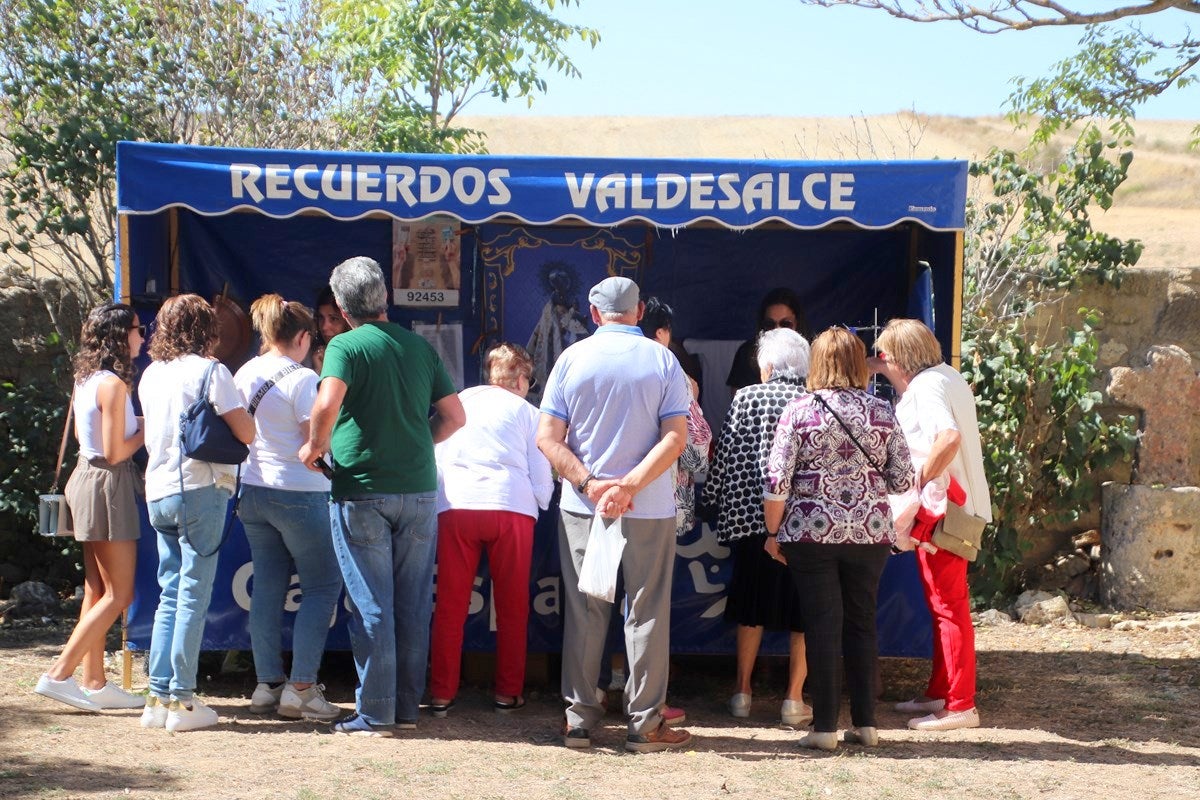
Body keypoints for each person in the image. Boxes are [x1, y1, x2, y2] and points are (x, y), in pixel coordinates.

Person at [299, 256, 465, 737]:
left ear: (344, 308)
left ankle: (375, 712)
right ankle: (407, 709)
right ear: (383, 299)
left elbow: (327, 403)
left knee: (372, 603)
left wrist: (314, 446)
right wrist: (415, 441)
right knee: (412, 604)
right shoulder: (418, 346)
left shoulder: (344, 346)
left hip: (362, 490)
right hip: (417, 489)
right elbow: (454, 417)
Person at [536, 276, 693, 754]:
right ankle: (645, 726)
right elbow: (675, 438)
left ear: (594, 312)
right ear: (640, 310)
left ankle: (579, 721)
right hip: (647, 508)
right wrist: (630, 487)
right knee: (645, 613)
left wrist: (590, 484)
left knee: (586, 612)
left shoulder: (571, 359)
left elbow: (547, 438)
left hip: (584, 507)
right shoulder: (664, 360)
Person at [764, 326, 913, 751]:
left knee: (821, 625)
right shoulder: (882, 411)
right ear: (857, 363)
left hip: (810, 533)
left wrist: (773, 533)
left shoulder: (798, 411)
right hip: (870, 534)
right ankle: (866, 724)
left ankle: (825, 727)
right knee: (862, 624)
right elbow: (903, 479)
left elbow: (777, 482)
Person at [138, 294, 255, 732]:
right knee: (192, 593)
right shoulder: (212, 371)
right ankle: (183, 703)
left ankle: (158, 696)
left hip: (159, 490)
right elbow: (244, 429)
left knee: (169, 593)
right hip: (200, 488)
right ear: (207, 328)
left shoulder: (150, 375)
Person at [872, 318, 992, 732]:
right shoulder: (947, 377)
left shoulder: (925, 386)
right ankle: (943, 691)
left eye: (883, 356)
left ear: (896, 357)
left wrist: (917, 483)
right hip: (951, 508)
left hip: (942, 509)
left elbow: (948, 437)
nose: (881, 364)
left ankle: (960, 704)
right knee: (944, 605)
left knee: (948, 607)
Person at [233, 295, 344, 721]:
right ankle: (301, 688)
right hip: (299, 492)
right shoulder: (302, 379)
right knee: (320, 586)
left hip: (254, 491)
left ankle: (267, 684)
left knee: (268, 586)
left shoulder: (246, 371)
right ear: (302, 337)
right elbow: (311, 443)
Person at [428, 343, 553, 717]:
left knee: (450, 605)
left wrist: (440, 500)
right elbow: (541, 468)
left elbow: (436, 452)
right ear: (519, 378)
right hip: (510, 509)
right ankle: (507, 692)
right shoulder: (528, 412)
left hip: (458, 506)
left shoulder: (461, 400)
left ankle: (441, 693)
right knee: (513, 606)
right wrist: (540, 503)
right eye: (529, 380)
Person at [34, 304, 147, 712]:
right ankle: (59, 674)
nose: (142, 336)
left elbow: (95, 439)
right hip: (107, 484)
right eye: (137, 329)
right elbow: (117, 452)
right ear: (120, 336)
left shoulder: (86, 379)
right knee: (120, 593)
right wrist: (148, 428)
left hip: (85, 478)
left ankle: (95, 681)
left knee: (96, 588)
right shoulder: (113, 385)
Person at [705, 326, 811, 726]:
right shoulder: (813, 401)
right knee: (803, 613)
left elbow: (725, 454)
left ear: (767, 365)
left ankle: (742, 693)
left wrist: (709, 500)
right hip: (801, 525)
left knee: (751, 609)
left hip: (751, 522)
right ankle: (793, 700)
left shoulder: (746, 397)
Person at [726, 287, 813, 393]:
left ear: (797, 322)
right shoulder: (747, 353)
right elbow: (738, 400)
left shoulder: (813, 351)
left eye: (785, 324)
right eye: (770, 324)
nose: (777, 330)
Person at [311, 285, 349, 374]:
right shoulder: (308, 353)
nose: (324, 327)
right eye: (321, 317)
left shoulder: (361, 357)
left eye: (334, 319)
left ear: (348, 321)